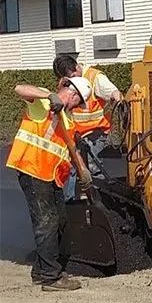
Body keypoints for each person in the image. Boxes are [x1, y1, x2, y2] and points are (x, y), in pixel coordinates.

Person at [5, 76, 92, 291]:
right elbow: (19, 88)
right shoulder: (44, 102)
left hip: (51, 176)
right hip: (33, 168)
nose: (78, 107)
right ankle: (50, 278)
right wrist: (49, 95)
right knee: (47, 221)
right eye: (78, 102)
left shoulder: (68, 118)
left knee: (60, 221)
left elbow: (69, 147)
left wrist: (82, 169)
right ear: (72, 94)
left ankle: (41, 270)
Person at [52, 55, 122, 200]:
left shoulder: (95, 77)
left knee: (93, 168)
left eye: (73, 75)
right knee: (70, 167)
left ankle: (100, 200)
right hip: (73, 132)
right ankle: (70, 202)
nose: (72, 79)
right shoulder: (66, 80)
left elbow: (115, 93)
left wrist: (118, 100)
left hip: (94, 133)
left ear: (77, 67)